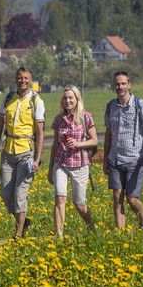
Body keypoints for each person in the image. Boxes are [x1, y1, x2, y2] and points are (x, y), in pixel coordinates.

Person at [0, 66, 45, 240]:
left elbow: (41, 133)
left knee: (20, 194)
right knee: (6, 195)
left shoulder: (36, 101)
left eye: (26, 78)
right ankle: (24, 221)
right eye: (20, 78)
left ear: (31, 80)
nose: (23, 81)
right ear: (16, 79)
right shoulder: (8, 99)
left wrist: (37, 159)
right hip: (8, 151)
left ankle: (18, 234)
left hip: (26, 152)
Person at [103, 71, 143, 230]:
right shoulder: (110, 107)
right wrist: (106, 159)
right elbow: (108, 134)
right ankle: (120, 234)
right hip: (115, 158)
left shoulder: (141, 105)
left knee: (132, 199)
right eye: (117, 84)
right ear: (114, 86)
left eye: (123, 83)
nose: (120, 87)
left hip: (136, 158)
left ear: (129, 85)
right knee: (117, 196)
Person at [47, 85, 97, 237]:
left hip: (79, 164)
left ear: (76, 99)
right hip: (60, 163)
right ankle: (59, 235)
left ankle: (90, 225)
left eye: (70, 98)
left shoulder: (85, 117)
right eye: (65, 98)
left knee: (79, 204)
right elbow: (55, 144)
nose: (67, 101)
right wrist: (50, 169)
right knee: (60, 198)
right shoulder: (58, 119)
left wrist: (78, 144)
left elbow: (94, 140)